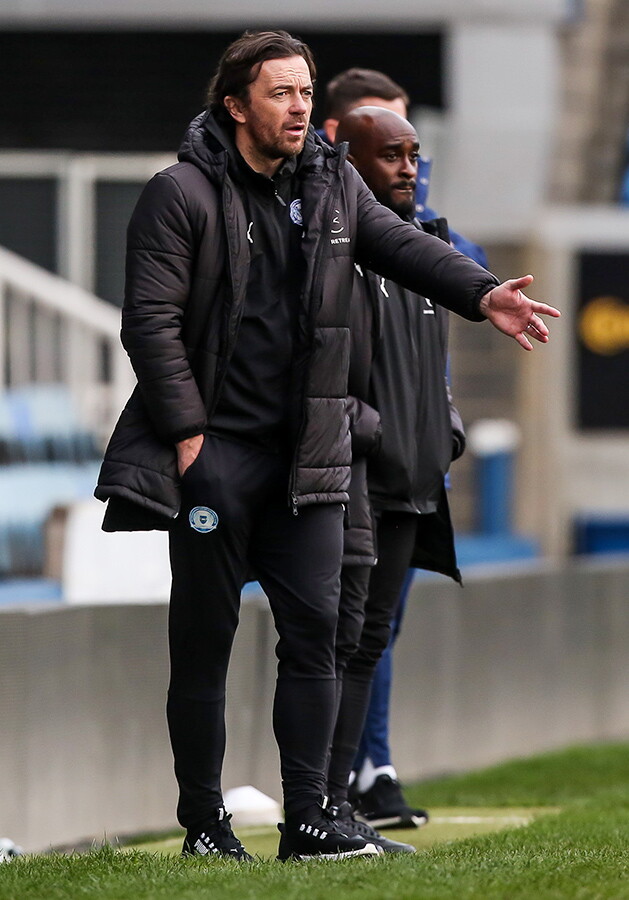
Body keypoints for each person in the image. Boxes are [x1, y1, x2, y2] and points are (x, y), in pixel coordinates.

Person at [95, 30, 559, 863]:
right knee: (203, 642)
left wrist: (482, 293)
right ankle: (204, 822)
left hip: (309, 460)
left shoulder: (333, 181)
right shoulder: (179, 193)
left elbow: (402, 244)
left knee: (318, 638)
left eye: (306, 92)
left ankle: (310, 819)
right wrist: (191, 438)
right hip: (216, 461)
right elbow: (150, 326)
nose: (300, 107)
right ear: (236, 105)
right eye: (281, 93)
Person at [322, 68, 485, 828]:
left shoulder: (431, 245)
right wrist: (369, 433)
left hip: (413, 482)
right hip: (354, 480)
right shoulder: (326, 246)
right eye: (392, 151)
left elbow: (430, 365)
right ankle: (318, 800)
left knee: (368, 640)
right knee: (335, 640)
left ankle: (348, 794)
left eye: (414, 151)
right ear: (343, 151)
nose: (409, 167)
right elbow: (309, 358)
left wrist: (442, 430)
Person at [321, 67, 488, 266]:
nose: (395, 131)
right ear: (335, 131)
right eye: (377, 120)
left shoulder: (408, 193)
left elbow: (475, 258)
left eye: (400, 122)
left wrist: (440, 255)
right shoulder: (310, 193)